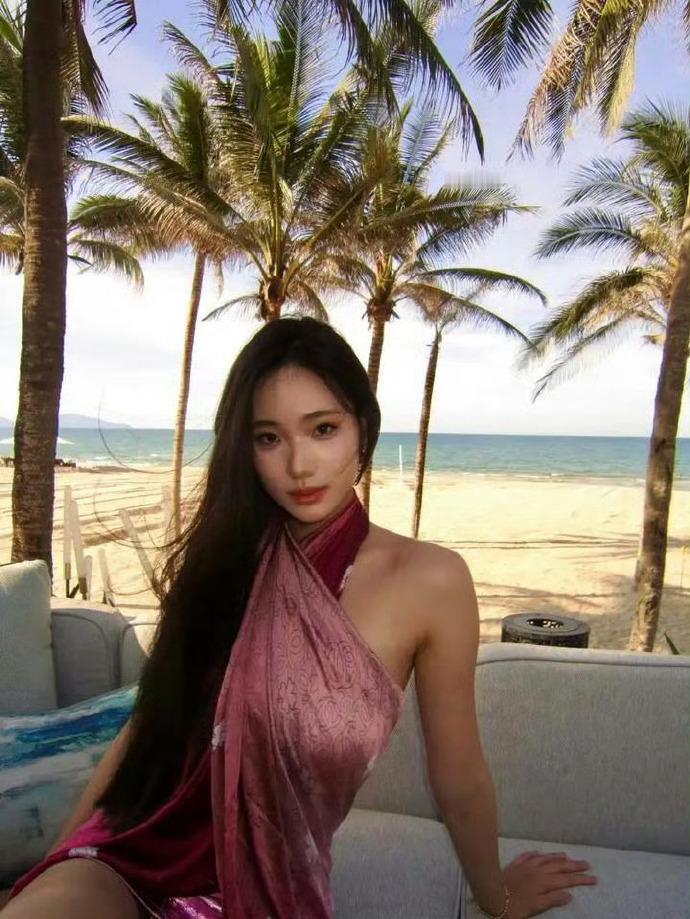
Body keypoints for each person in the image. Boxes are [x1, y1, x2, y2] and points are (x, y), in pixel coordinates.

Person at [2, 317, 598, 919]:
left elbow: (459, 775)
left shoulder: (430, 580)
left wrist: (497, 897)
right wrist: (47, 871)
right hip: (119, 860)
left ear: (363, 428)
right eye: (269, 438)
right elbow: (146, 730)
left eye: (323, 429)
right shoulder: (223, 563)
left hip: (262, 893)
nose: (299, 465)